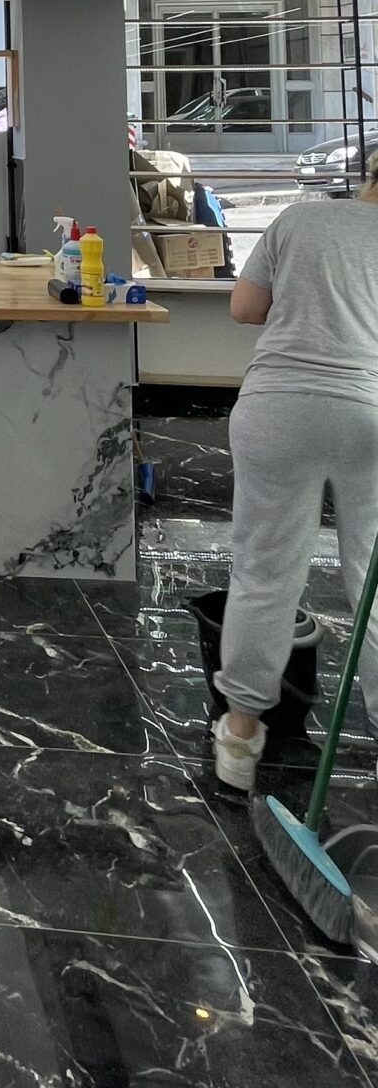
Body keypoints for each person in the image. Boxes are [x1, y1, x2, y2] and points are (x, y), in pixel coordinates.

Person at [213, 155, 378, 791]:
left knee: (264, 571)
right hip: (368, 411)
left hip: (277, 407)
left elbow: (244, 309)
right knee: (373, 574)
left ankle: (240, 737)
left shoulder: (301, 218)